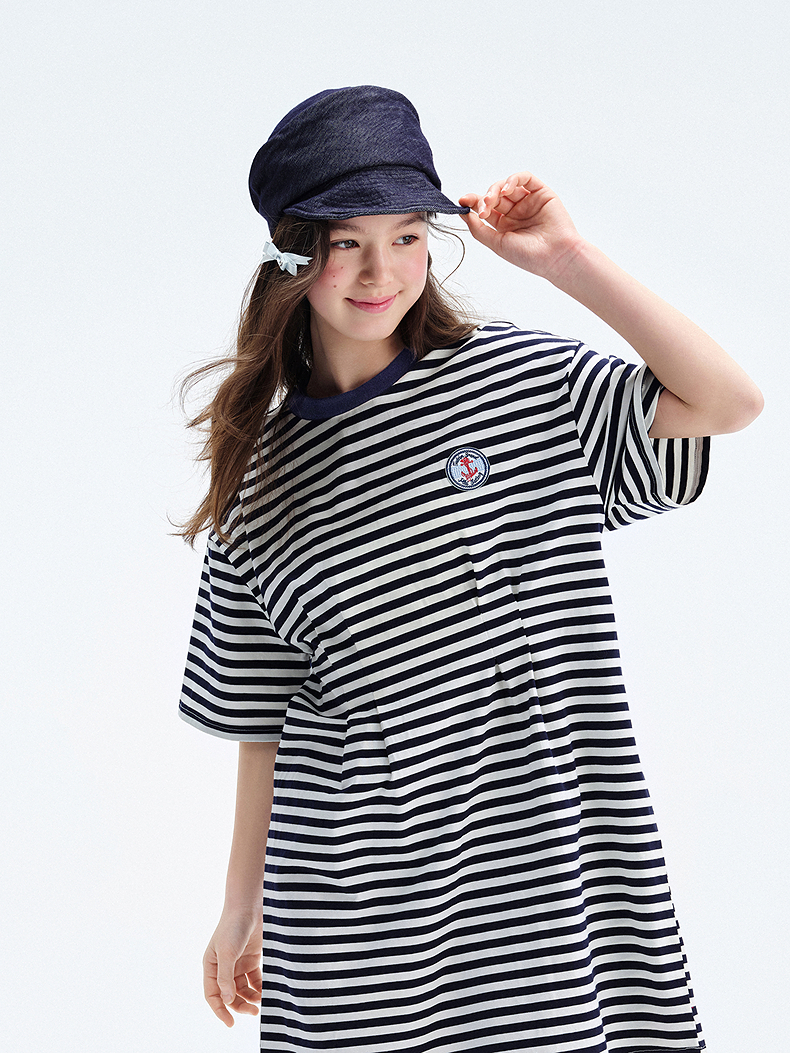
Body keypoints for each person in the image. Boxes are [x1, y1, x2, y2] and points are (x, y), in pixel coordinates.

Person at [178, 85, 762, 1053]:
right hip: (353, 909)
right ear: (293, 254)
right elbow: (262, 716)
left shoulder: (523, 386)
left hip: (547, 880)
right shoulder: (262, 479)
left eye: (407, 237)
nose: (381, 271)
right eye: (347, 241)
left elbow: (727, 402)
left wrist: (568, 261)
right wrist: (242, 906)